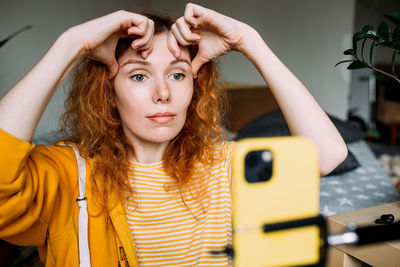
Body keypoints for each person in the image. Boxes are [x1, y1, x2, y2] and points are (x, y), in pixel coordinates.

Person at [0, 3, 347, 266]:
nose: (162, 93)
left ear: (195, 87)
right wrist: (70, 45)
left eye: (178, 74)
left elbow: (327, 156)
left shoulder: (223, 164)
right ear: (109, 93)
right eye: (139, 76)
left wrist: (248, 41)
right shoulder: (69, 176)